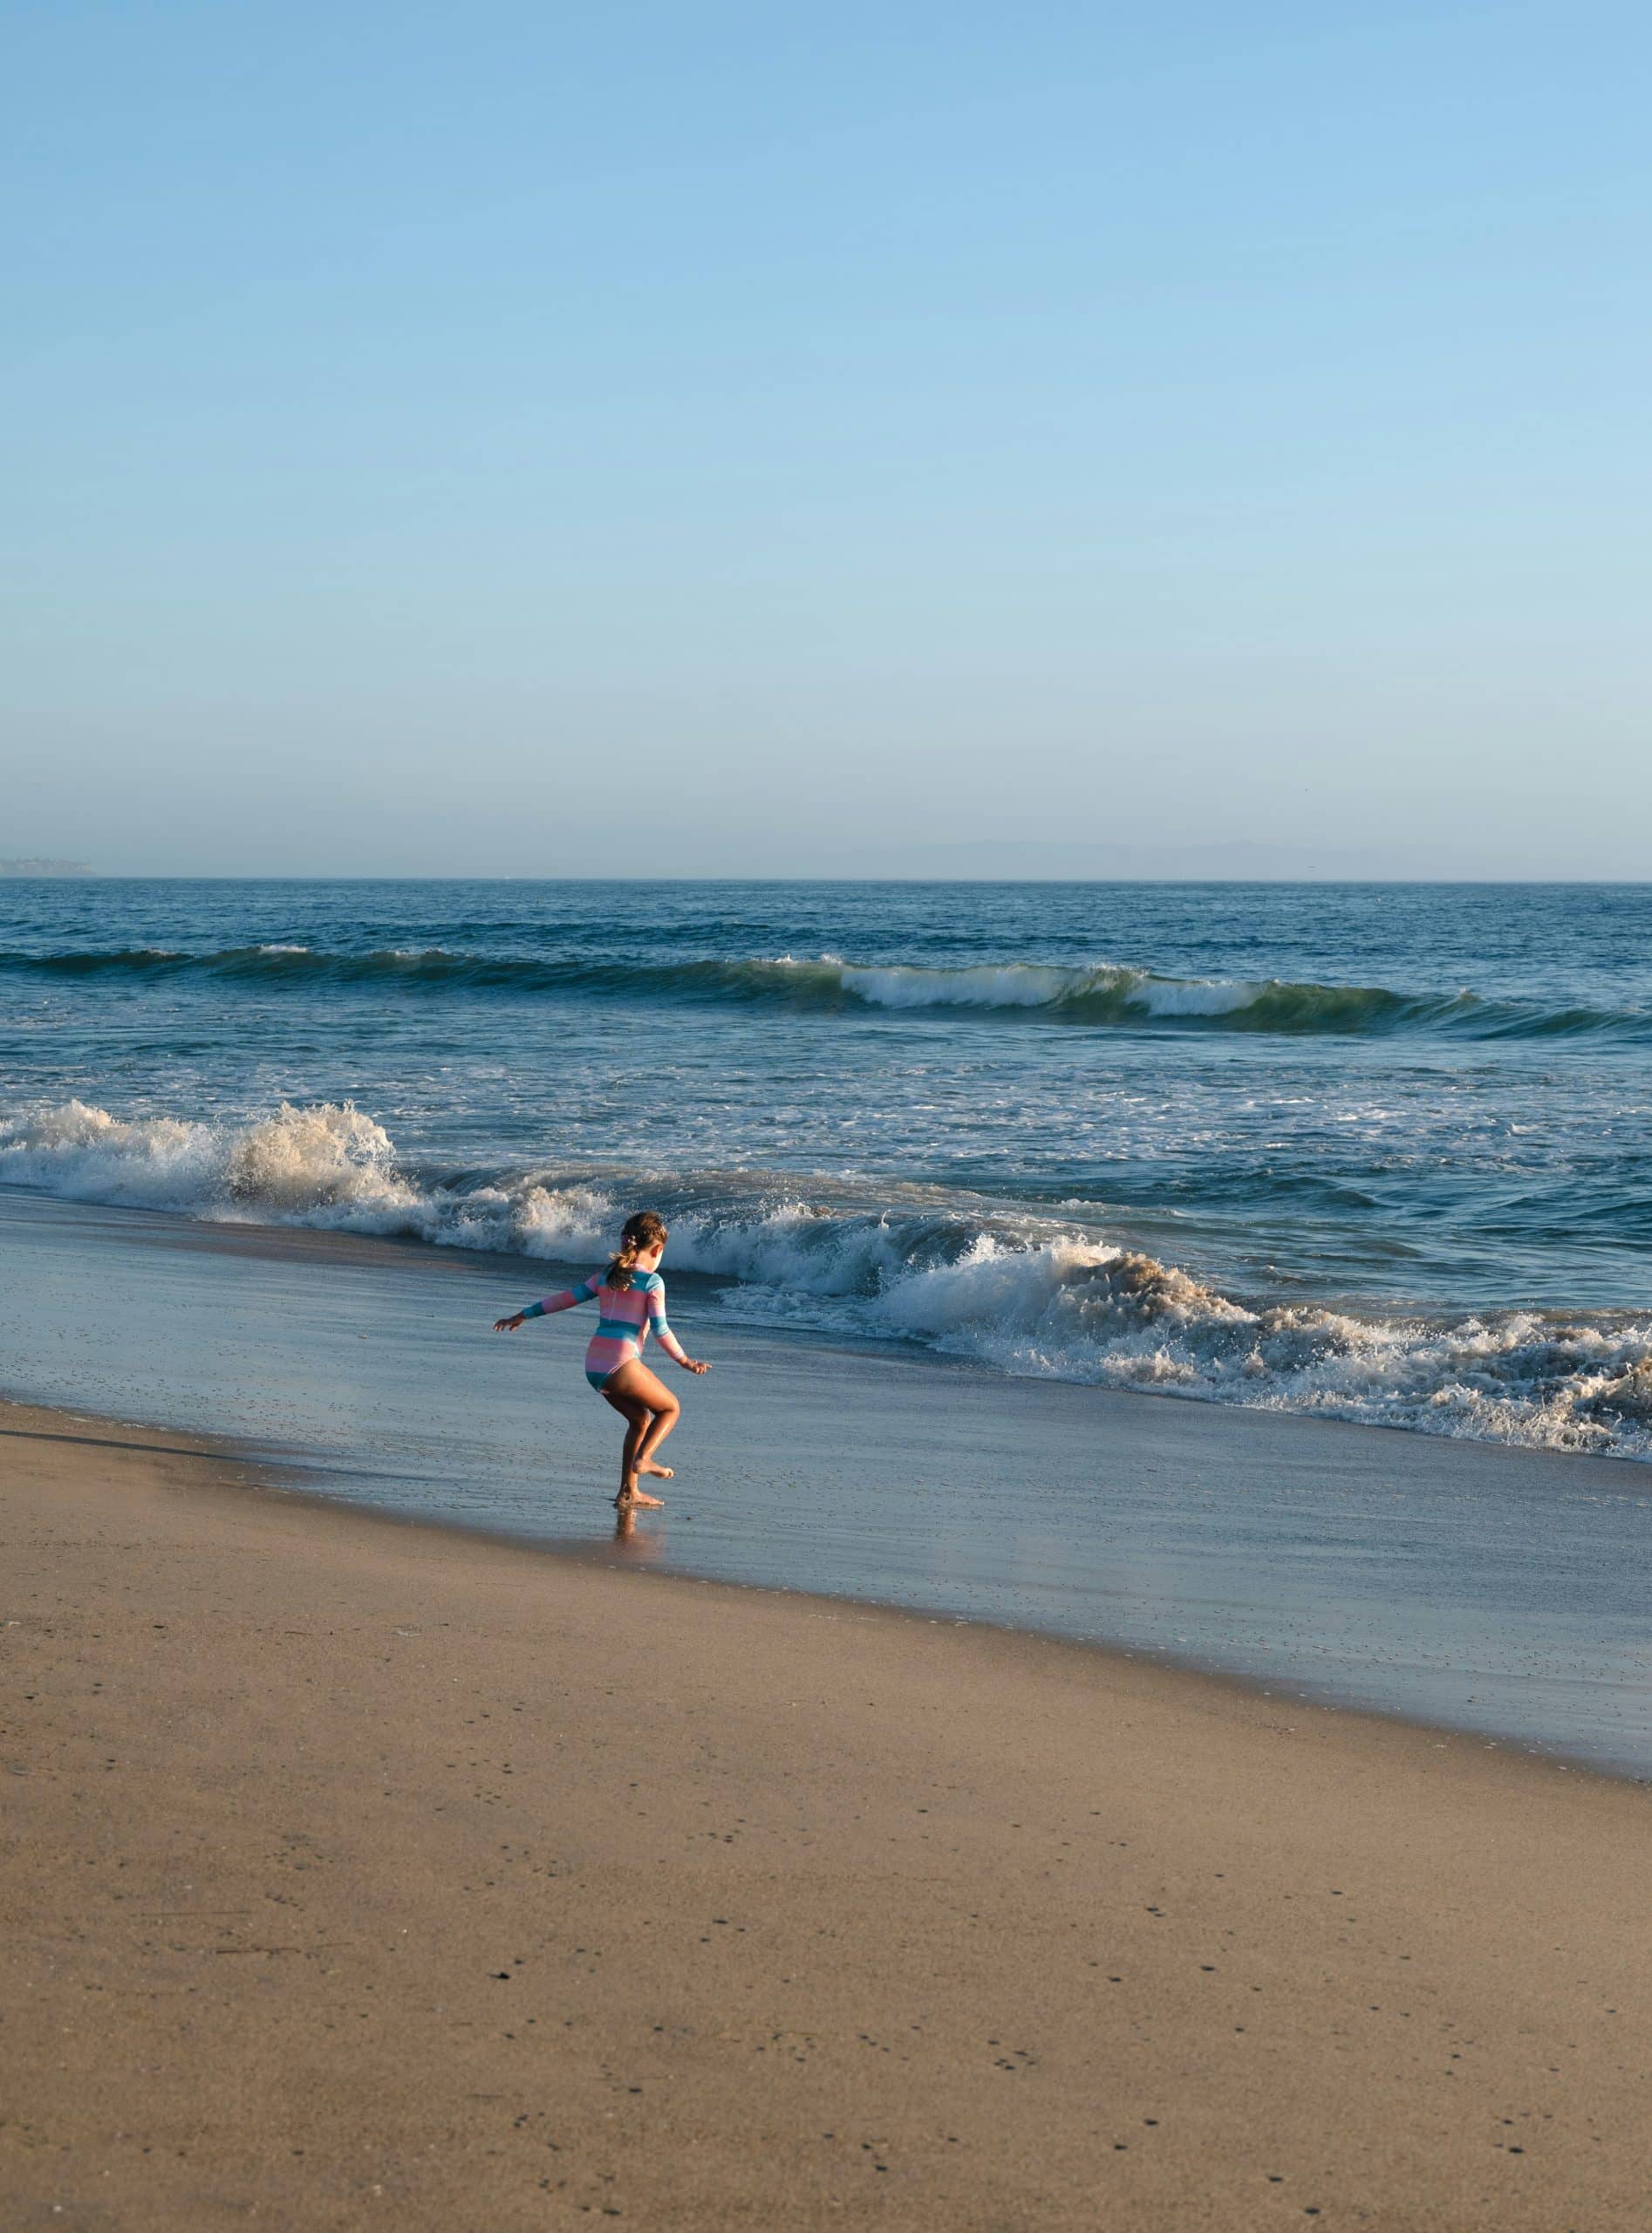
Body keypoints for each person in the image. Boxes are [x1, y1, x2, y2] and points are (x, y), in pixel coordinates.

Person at [493, 1211, 709, 1508]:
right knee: (670, 1408)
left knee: (639, 1420)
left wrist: (523, 1314)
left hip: (594, 1365)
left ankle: (628, 1491)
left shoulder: (607, 1276)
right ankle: (644, 1458)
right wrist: (686, 1361)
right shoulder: (652, 1282)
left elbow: (565, 1298)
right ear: (658, 1250)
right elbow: (661, 1329)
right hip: (621, 1362)